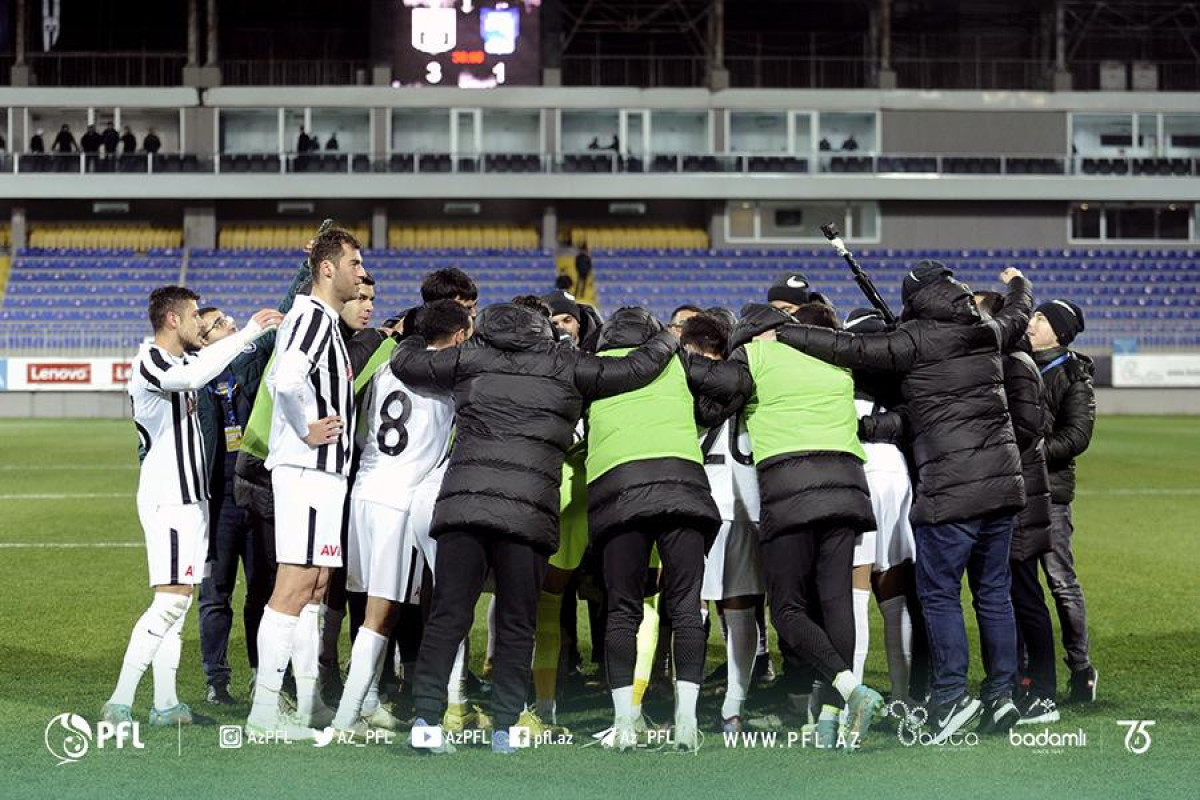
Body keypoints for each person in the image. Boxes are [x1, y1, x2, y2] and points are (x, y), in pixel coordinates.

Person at [391, 302, 678, 754]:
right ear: (542, 331)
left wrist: (408, 333)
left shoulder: (472, 358)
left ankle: (426, 723)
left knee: (448, 616)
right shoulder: (565, 362)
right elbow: (637, 369)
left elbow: (406, 361)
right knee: (517, 621)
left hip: (464, 503)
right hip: (527, 513)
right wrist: (668, 338)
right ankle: (505, 728)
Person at [773, 263, 1033, 742]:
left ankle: (951, 699)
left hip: (950, 489)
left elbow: (845, 346)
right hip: (1002, 486)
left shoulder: (913, 341)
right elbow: (1019, 310)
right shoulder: (986, 330)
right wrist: (1015, 283)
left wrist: (784, 336)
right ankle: (1001, 696)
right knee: (994, 595)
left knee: (939, 596)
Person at [100, 287, 281, 727]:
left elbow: (196, 371)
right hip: (169, 497)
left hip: (191, 499)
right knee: (169, 603)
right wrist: (250, 332)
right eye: (195, 315)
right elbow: (192, 379)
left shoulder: (181, 361)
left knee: (178, 606)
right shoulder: (151, 361)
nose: (201, 323)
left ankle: (166, 704)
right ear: (173, 320)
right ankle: (119, 701)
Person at [585, 307, 749, 752]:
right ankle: (687, 723)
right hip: (684, 489)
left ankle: (624, 724)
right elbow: (736, 381)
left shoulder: (591, 371)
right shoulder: (675, 363)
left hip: (619, 490)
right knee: (684, 608)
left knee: (622, 610)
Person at [728, 299, 885, 749]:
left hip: (791, 489)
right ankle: (832, 720)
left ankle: (852, 691)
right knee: (835, 601)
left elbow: (720, 395)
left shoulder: (754, 357)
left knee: (788, 610)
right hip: (847, 488)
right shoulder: (830, 358)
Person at [245, 229, 366, 740]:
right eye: (354, 264)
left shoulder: (325, 323)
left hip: (324, 475)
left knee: (315, 588)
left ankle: (310, 703)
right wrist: (305, 428)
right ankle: (263, 715)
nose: (361, 273)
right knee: (294, 585)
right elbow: (286, 379)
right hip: (307, 471)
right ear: (327, 270)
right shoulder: (312, 318)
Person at [331, 300, 471, 736]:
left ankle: (369, 702)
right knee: (383, 614)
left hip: (364, 493)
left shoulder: (385, 367)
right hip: (399, 501)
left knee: (370, 604)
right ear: (461, 336)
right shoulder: (448, 378)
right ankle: (345, 718)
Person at [975, 291, 1059, 725]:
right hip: (1006, 492)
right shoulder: (998, 363)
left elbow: (1028, 427)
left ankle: (1043, 692)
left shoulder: (1016, 365)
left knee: (1025, 596)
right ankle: (1010, 685)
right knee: (1002, 595)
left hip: (1020, 497)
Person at [684, 314, 765, 734]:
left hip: (697, 501)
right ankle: (733, 707)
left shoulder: (683, 381)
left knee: (691, 606)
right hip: (743, 502)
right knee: (739, 607)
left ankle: (688, 708)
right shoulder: (753, 380)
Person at [841, 308, 923, 705]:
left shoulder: (841, 373)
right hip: (896, 472)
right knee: (894, 592)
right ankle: (904, 697)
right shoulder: (903, 375)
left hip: (860, 473)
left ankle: (853, 695)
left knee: (856, 591)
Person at [1027, 299, 1098, 703]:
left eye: (1041, 318)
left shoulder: (1074, 376)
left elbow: (1077, 438)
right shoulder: (1019, 360)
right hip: (1016, 488)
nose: (1032, 321)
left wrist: (1029, 451)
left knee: (1060, 582)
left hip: (1051, 492)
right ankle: (1028, 672)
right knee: (1018, 585)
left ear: (1060, 332)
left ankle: (1081, 668)